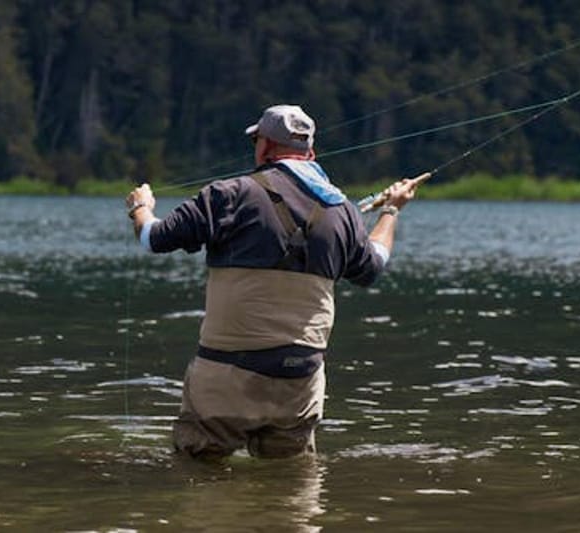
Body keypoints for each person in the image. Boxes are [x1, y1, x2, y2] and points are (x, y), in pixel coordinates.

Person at [126, 104, 420, 459]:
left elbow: (153, 238)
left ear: (263, 146)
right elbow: (373, 266)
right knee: (289, 485)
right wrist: (390, 211)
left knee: (200, 474)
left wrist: (140, 207)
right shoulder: (342, 211)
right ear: (309, 152)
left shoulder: (229, 193)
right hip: (301, 381)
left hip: (227, 375)